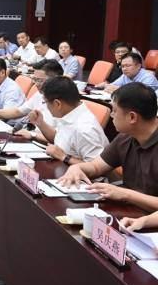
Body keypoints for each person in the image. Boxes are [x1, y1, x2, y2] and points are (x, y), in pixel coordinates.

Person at [58, 83, 158, 211]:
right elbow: (96, 167)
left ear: (132, 117)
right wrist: (77, 168)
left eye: (114, 111)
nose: (111, 115)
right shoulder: (126, 137)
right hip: (130, 210)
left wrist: (126, 194)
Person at [36, 77, 108, 164]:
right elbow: (60, 139)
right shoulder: (69, 113)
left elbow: (98, 168)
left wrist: (64, 157)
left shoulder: (84, 129)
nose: (46, 107)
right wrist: (40, 123)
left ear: (57, 104)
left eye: (45, 102)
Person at [0, 59, 62, 128]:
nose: (36, 84)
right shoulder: (39, 94)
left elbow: (56, 137)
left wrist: (33, 135)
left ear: (55, 79)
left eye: (39, 80)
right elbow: (18, 112)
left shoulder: (63, 102)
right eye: (34, 79)